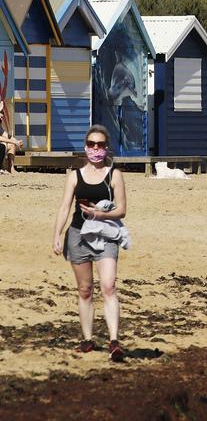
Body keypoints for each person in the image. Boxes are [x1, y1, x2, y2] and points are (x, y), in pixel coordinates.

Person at [51, 125, 129, 362]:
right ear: (86, 147)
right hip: (78, 235)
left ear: (107, 148)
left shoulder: (114, 174)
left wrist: (100, 214)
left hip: (106, 234)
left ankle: (114, 341)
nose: (96, 149)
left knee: (108, 286)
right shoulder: (74, 176)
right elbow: (65, 206)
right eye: (92, 144)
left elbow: (122, 210)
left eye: (101, 145)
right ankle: (87, 339)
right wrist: (57, 234)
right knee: (85, 290)